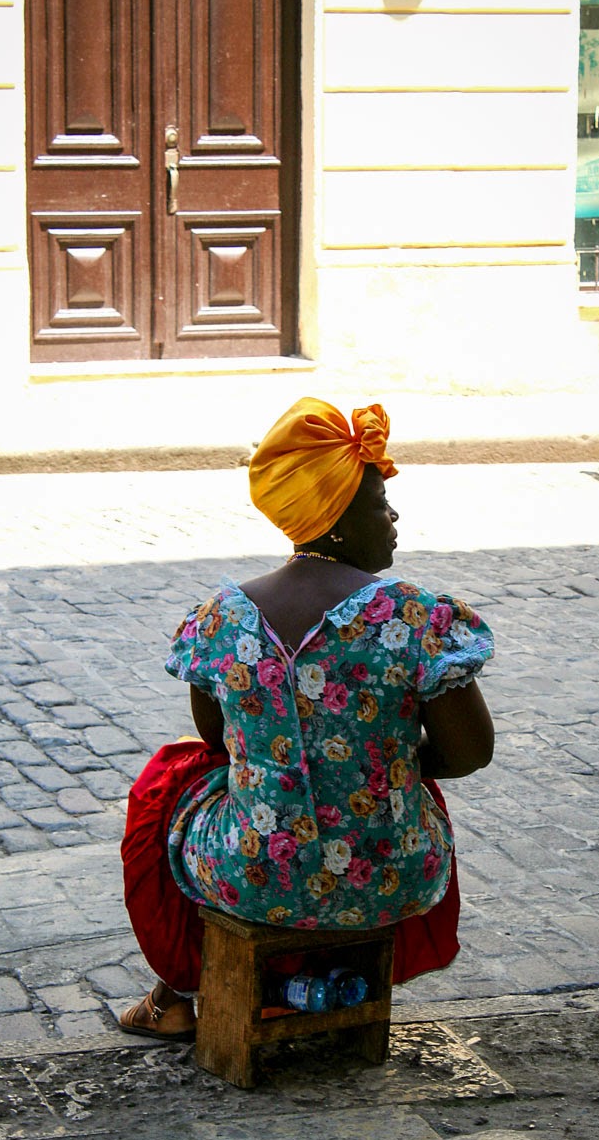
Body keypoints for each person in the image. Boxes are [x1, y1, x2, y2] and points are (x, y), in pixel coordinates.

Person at [119, 398, 494, 1041]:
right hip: (391, 876)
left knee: (170, 779)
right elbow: (468, 754)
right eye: (380, 503)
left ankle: (174, 994)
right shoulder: (416, 618)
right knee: (407, 786)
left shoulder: (221, 619)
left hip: (251, 875)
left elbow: (217, 742)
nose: (393, 517)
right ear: (338, 517)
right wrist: (384, 765)